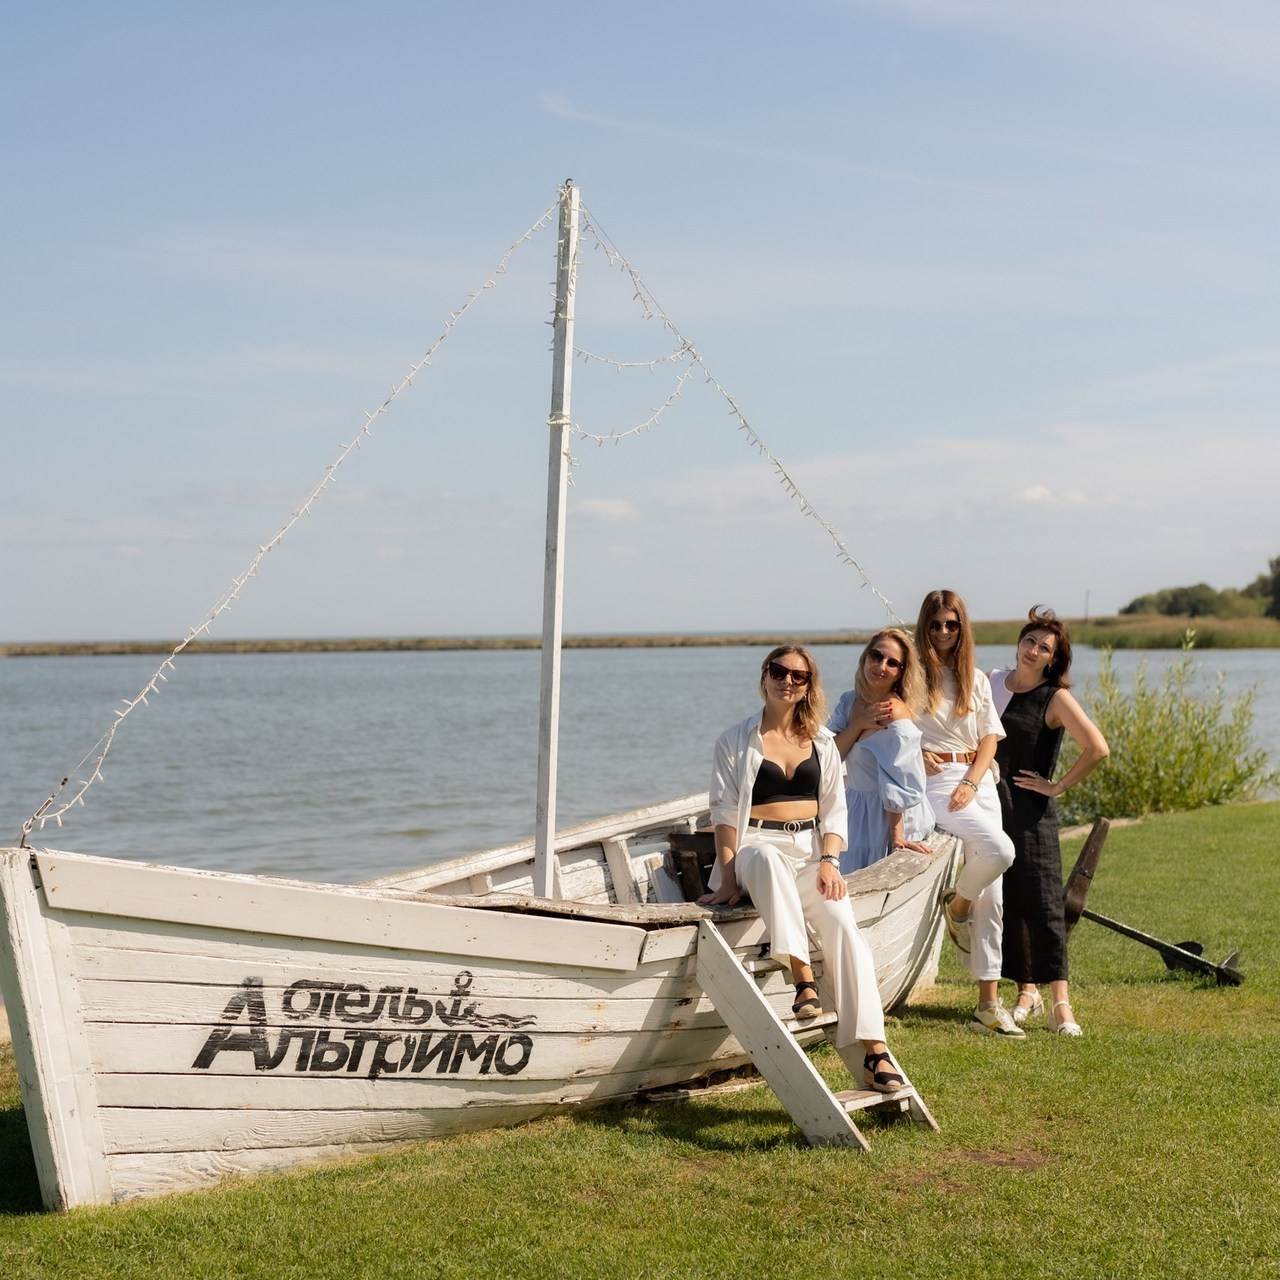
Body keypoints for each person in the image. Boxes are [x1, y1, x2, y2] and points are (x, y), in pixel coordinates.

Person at [699, 645, 905, 1092]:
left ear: (809, 685)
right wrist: (729, 878)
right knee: (769, 859)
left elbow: (834, 812)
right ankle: (802, 979)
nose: (787, 681)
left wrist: (831, 861)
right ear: (765, 674)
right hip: (755, 847)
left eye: (798, 675)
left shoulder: (824, 743)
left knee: (845, 930)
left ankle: (876, 1050)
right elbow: (723, 813)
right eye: (779, 671)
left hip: (810, 854)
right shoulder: (734, 741)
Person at [989, 608, 1110, 1037]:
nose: (1033, 650)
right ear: (1019, 642)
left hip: (1032, 815)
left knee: (1043, 906)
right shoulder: (992, 683)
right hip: (991, 808)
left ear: (1052, 659)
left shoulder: (1054, 697)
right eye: (1030, 641)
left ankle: (1060, 1003)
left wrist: (1057, 786)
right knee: (1007, 903)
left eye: (1044, 648)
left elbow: (1097, 748)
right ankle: (1026, 992)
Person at [915, 589, 1022, 1037]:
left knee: (993, 897)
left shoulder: (974, 678)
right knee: (1000, 849)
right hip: (935, 782)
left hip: (977, 781)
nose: (943, 632)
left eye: (951, 624)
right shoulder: (911, 675)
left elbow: (989, 739)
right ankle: (958, 907)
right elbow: (887, 724)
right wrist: (915, 751)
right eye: (936, 624)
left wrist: (973, 782)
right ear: (925, 626)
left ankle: (987, 1005)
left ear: (962, 628)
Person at [828, 628, 936, 872]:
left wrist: (896, 836)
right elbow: (830, 757)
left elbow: (899, 780)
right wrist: (857, 725)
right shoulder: (849, 701)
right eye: (876, 656)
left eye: (892, 663)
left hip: (888, 816)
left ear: (900, 673)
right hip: (856, 807)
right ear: (866, 656)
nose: (881, 666)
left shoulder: (894, 714)